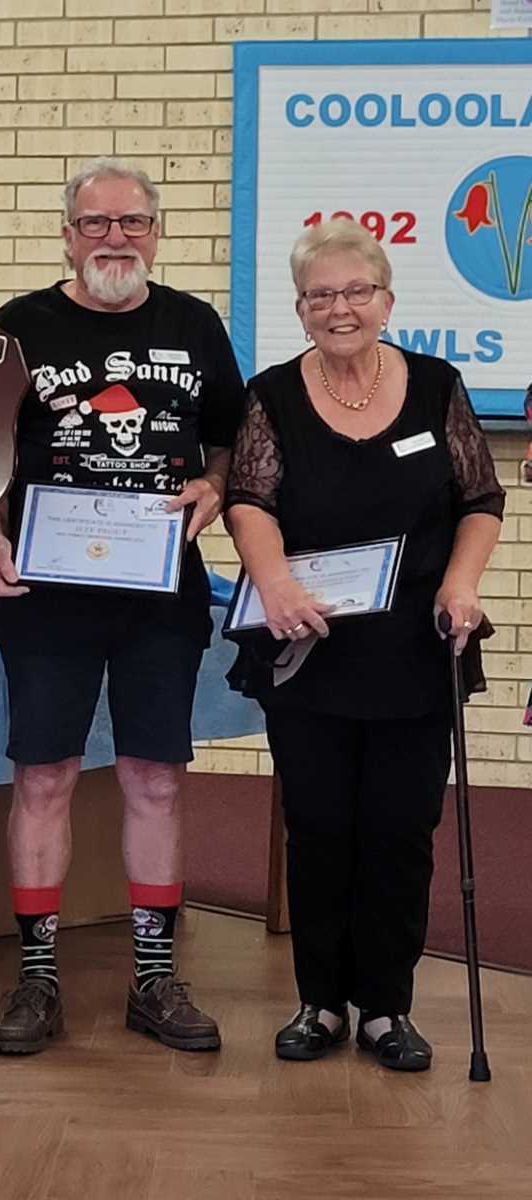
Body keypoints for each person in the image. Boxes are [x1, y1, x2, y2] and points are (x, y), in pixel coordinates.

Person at [0, 159, 245, 1056]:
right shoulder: (21, 326)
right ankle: (37, 978)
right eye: (95, 224)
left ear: (157, 231)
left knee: (155, 779)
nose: (114, 238)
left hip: (160, 591)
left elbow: (232, 439)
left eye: (132, 222)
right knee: (43, 778)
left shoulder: (193, 323)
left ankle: (155, 977)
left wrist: (212, 485)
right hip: (45, 592)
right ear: (67, 233)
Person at [224, 218, 504, 1071]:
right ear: (301, 310)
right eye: (321, 295)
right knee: (317, 828)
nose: (340, 308)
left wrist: (462, 584)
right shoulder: (272, 393)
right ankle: (320, 1001)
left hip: (417, 645)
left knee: (399, 828)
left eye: (356, 291)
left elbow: (480, 499)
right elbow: (249, 499)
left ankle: (386, 1006)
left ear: (386, 300)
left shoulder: (435, 385)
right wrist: (271, 582)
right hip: (307, 641)